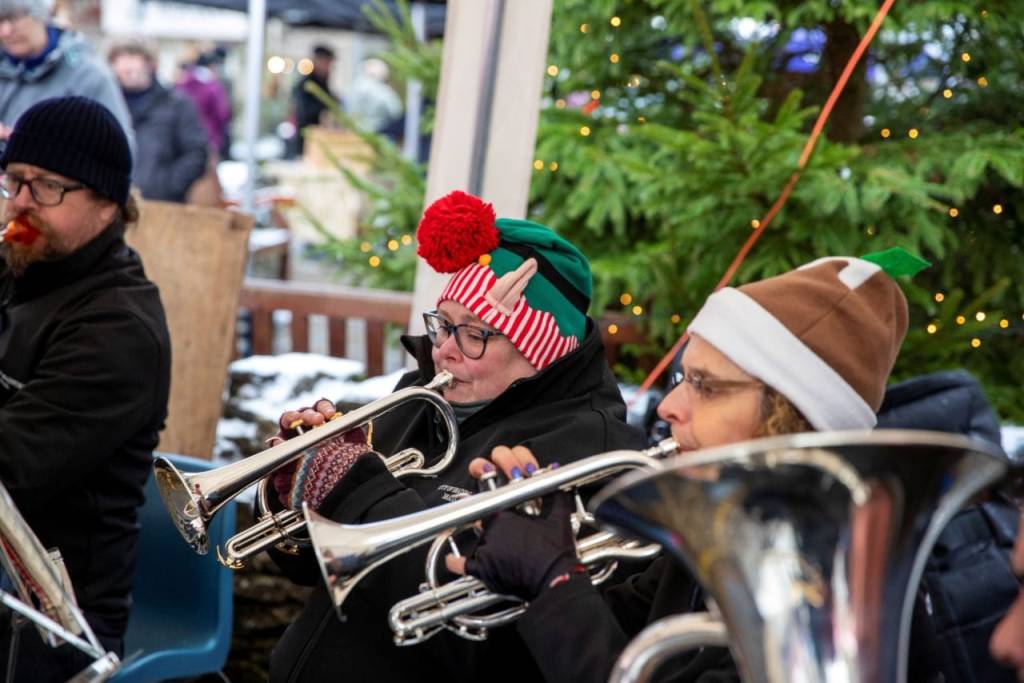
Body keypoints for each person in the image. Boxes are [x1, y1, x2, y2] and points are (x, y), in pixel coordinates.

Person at [449, 253, 920, 682]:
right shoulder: (712, 536)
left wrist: (553, 578)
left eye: (706, 386)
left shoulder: (829, 594)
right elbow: (602, 643)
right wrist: (523, 571)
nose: (668, 407)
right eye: (680, 378)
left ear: (789, 418)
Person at [266, 190, 645, 682]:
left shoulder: (591, 452)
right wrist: (293, 499)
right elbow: (318, 566)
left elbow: (472, 625)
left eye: (474, 333)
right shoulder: (418, 398)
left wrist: (352, 488)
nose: (444, 350)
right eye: (444, 325)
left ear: (543, 350)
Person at [0, 96, 171, 681]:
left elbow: (11, 467)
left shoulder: (119, 328)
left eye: (47, 186)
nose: (22, 201)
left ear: (106, 203)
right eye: (15, 180)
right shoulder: (22, 266)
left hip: (50, 626)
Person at [0, 0, 132, 144]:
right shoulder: (4, 71)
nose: (5, 31)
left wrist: (38, 150)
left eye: (14, 18)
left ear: (42, 16)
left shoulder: (87, 75)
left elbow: (118, 148)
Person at [109, 41, 208, 203]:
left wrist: (169, 188)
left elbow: (196, 152)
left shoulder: (176, 103)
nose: (127, 66)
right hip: (113, 205)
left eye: (134, 57)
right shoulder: (106, 103)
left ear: (150, 63)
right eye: (121, 58)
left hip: (161, 208)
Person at [175, 47, 231, 160]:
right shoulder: (213, 87)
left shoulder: (181, 84)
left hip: (182, 143)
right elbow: (224, 114)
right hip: (209, 142)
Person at [290, 43, 335, 156]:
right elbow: (303, 112)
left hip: (320, 140)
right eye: (327, 62)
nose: (329, 66)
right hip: (306, 139)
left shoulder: (323, 82)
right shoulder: (306, 83)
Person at [344, 57, 402, 136]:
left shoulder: (354, 86)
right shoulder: (382, 89)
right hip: (377, 134)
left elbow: (345, 108)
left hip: (353, 133)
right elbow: (396, 111)